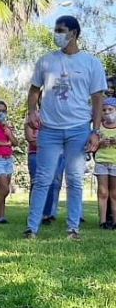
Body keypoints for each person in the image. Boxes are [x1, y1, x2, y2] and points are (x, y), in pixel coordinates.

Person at [26, 15, 107, 241]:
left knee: (74, 179)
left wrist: (95, 131)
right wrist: (32, 112)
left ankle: (73, 229)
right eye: (56, 30)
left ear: (74, 33)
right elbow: (34, 91)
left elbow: (98, 100)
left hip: (79, 129)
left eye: (60, 30)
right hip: (49, 129)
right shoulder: (46, 61)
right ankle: (32, 228)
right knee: (43, 179)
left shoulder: (91, 63)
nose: (56, 34)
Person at [95, 98, 116, 229]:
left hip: (115, 163)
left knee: (114, 193)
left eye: (110, 109)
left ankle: (114, 221)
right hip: (101, 162)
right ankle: (103, 221)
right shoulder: (98, 127)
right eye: (104, 110)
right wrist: (100, 143)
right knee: (102, 192)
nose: (107, 112)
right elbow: (91, 144)